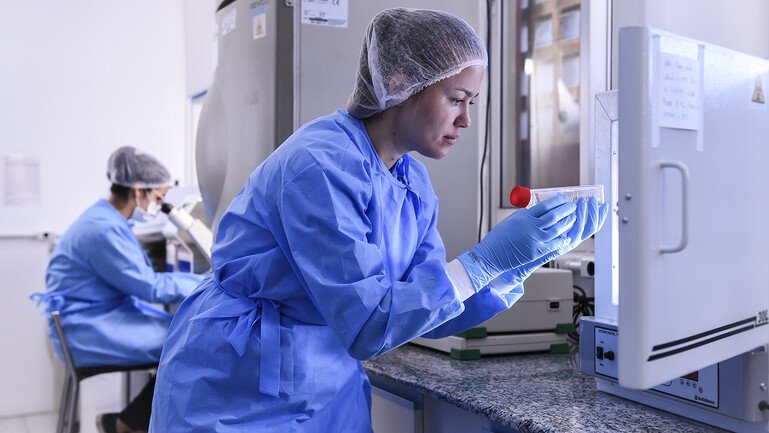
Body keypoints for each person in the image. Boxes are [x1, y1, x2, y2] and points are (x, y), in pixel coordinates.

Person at [149, 8, 608, 432]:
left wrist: (518, 264)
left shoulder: (412, 183)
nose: (467, 120)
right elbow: (370, 323)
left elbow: (422, 310)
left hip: (326, 383)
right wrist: (485, 260)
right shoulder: (321, 165)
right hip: (238, 381)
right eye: (456, 99)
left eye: (473, 102)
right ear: (405, 82)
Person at [33, 146, 204, 433]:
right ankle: (126, 424)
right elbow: (149, 287)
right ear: (139, 191)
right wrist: (204, 282)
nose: (157, 206)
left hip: (92, 318)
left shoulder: (104, 218)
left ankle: (127, 422)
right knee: (188, 343)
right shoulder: (103, 229)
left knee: (182, 335)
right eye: (158, 197)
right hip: (86, 329)